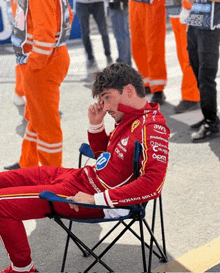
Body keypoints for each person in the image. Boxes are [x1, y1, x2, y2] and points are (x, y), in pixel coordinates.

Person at [0, 63, 170, 273]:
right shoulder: (128, 116)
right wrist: (96, 126)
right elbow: (106, 159)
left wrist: (95, 200)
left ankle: (23, 269)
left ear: (128, 90)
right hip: (77, 178)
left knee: (1, 205)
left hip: (88, 196)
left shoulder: (152, 127)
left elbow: (153, 184)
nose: (104, 106)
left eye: (107, 97)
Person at [4, 0, 74, 170]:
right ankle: (27, 164)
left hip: (41, 65)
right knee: (36, 118)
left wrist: (33, 64)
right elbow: (68, 16)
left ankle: (52, 175)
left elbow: (45, 37)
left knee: (47, 126)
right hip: (46, 60)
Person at [186, 0, 220, 142]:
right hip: (195, 20)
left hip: (212, 24)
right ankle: (210, 114)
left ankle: (211, 123)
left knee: (206, 75)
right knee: (196, 69)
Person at [129, 0, 167, 104]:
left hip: (153, 3)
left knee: (154, 45)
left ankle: (158, 88)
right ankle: (146, 83)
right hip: (135, 3)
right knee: (137, 45)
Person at [166, 0, 200, 113]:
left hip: (188, 10)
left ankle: (191, 96)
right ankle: (196, 93)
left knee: (188, 56)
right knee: (183, 55)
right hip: (175, 9)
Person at [75, 0, 113, 68]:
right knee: (85, 32)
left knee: (103, 30)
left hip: (98, 2)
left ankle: (108, 55)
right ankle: (90, 58)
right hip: (81, 3)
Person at [5, 0, 26, 106]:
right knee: (23, 62)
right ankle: (19, 92)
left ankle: (20, 92)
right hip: (23, 26)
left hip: (28, 24)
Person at [108, 0, 132, 66]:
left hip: (118, 6)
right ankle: (126, 62)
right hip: (119, 5)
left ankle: (124, 62)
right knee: (124, 35)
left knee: (121, 36)